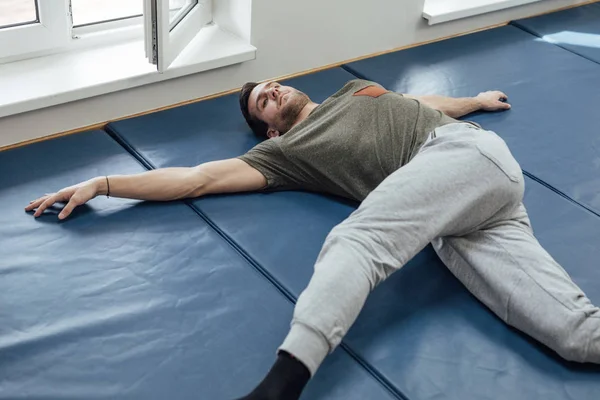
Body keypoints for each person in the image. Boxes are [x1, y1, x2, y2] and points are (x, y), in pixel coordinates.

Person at [26, 78, 600, 400]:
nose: (272, 89)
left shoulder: (356, 90)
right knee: (573, 337)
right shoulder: (283, 153)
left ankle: (280, 385)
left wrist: (474, 102)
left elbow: (421, 104)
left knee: (357, 241)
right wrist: (104, 181)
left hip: (463, 154)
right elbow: (197, 178)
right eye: (262, 101)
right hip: (459, 218)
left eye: (273, 84)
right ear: (269, 128)